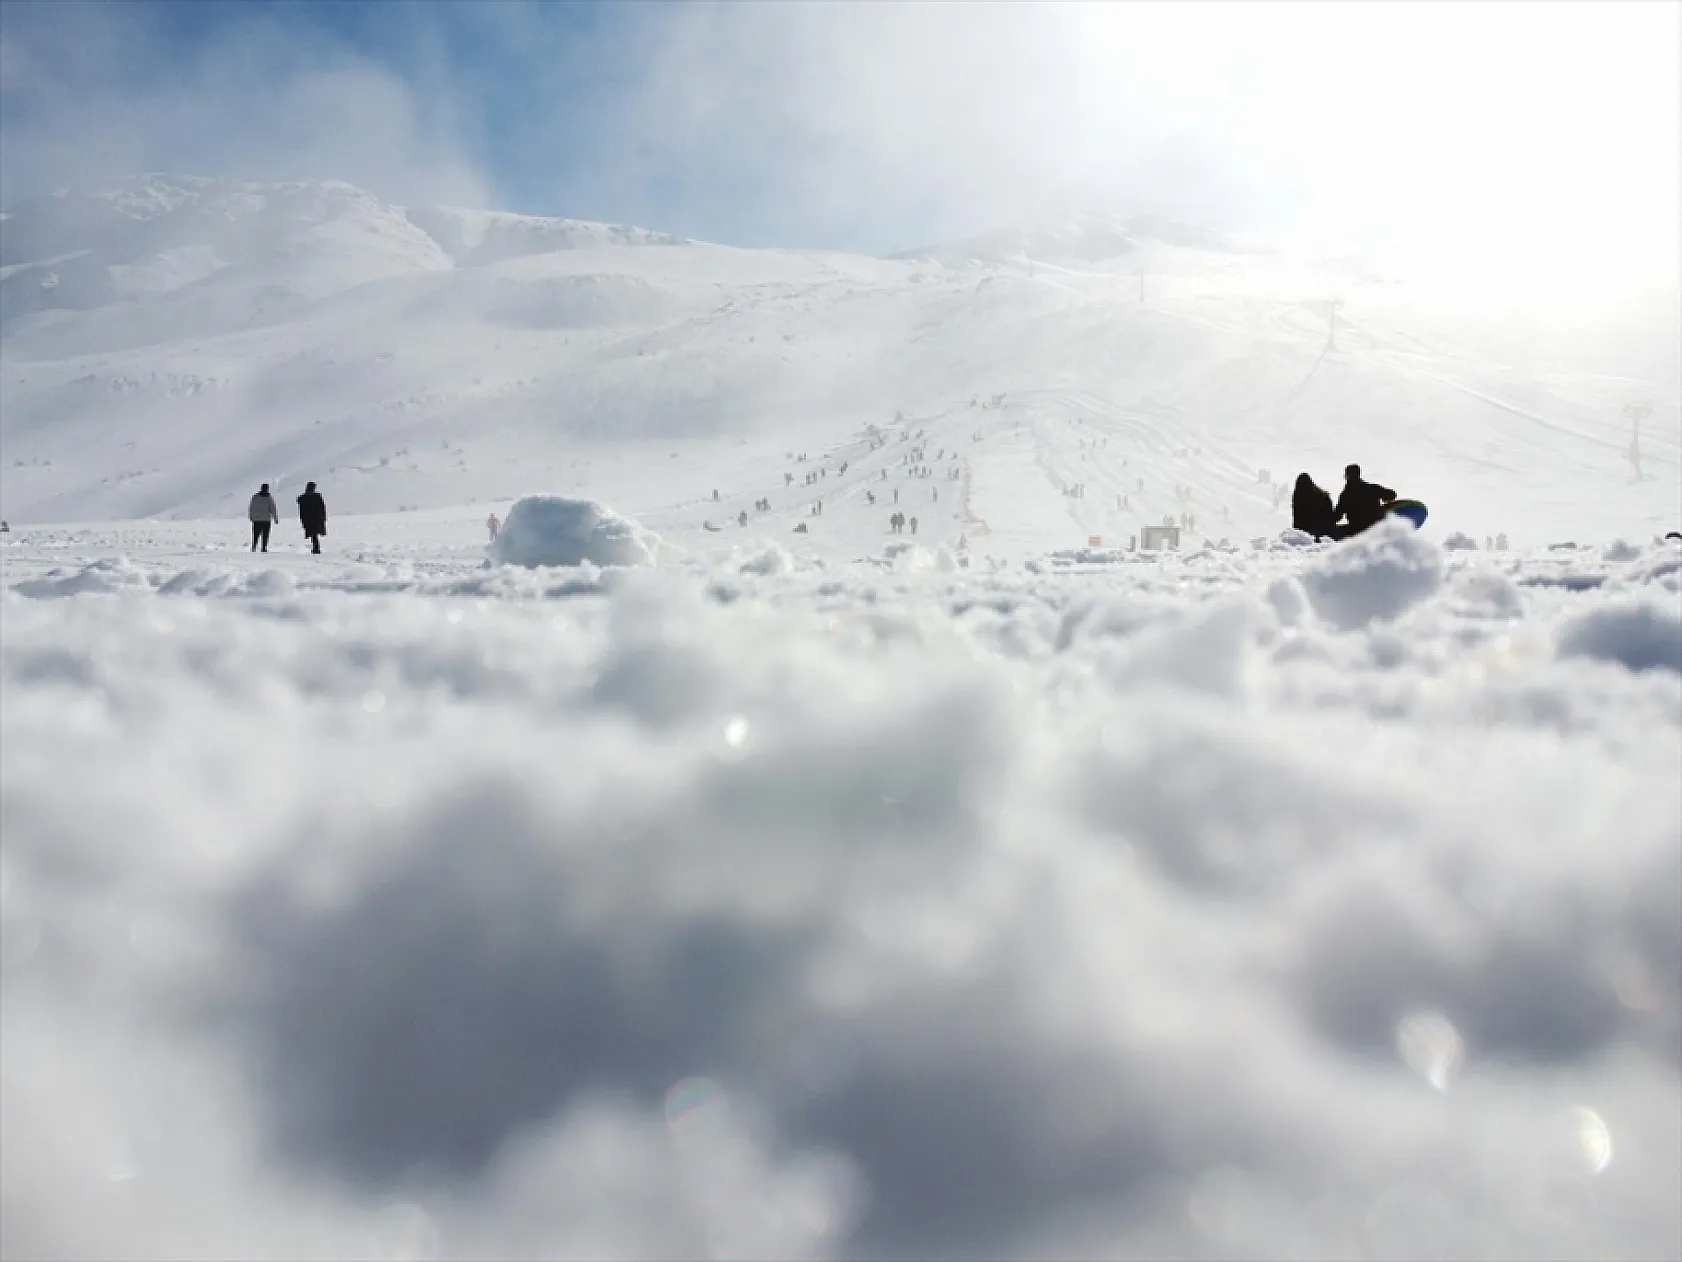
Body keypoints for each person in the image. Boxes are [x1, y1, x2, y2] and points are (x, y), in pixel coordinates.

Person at [1333, 464, 1396, 537]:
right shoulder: (1372, 488)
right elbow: (1392, 494)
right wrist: (1384, 503)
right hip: (1376, 528)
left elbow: (1337, 516)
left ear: (1347, 476)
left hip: (1357, 530)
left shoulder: (1345, 495)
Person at [1290, 472, 1337, 539]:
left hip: (1310, 532)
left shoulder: (1299, 495)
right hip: (1328, 531)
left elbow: (1297, 518)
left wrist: (1296, 534)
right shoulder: (1323, 495)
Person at [297, 481, 327, 554]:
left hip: (308, 518)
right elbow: (322, 508)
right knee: (314, 534)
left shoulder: (304, 498)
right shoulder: (317, 497)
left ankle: (316, 548)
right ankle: (316, 548)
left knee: (313, 534)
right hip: (317, 518)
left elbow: (301, 509)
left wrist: (302, 519)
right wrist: (323, 518)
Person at [249, 483, 279, 552]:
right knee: (265, 534)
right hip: (266, 519)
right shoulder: (269, 498)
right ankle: (263, 547)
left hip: (257, 519)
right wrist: (275, 518)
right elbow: (273, 508)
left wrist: (251, 517)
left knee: (256, 534)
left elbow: (252, 508)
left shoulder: (255, 497)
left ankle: (254, 546)